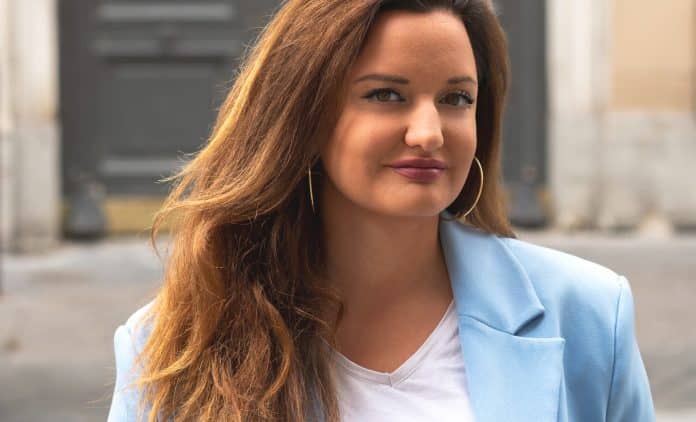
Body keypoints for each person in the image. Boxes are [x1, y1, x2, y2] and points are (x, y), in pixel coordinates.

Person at [107, 1, 656, 421]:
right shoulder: (172, 344)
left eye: (456, 98)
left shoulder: (588, 315)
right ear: (304, 118)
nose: (429, 133)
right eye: (386, 95)